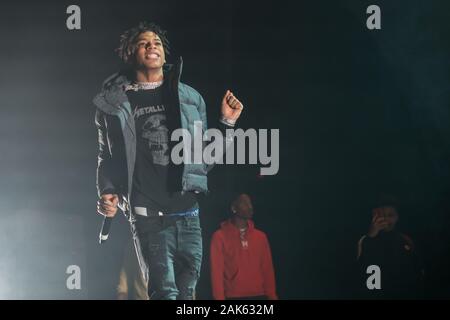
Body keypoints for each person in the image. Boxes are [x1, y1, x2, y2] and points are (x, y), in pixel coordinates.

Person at [93, 21, 243, 300]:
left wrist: (227, 124)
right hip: (150, 220)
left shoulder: (189, 98)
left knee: (187, 297)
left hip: (189, 217)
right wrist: (108, 191)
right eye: (143, 42)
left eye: (157, 43)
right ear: (129, 53)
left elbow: (205, 160)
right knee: (165, 294)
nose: (152, 46)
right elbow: (107, 157)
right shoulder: (113, 105)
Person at [210, 193, 278, 300]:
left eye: (250, 203)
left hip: (259, 295)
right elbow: (216, 272)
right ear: (234, 208)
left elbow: (267, 269)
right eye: (245, 203)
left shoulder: (260, 237)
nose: (250, 206)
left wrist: (272, 296)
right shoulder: (219, 236)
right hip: (233, 296)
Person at [356, 195, 425, 299]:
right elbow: (357, 270)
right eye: (381, 215)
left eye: (390, 215)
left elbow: (418, 272)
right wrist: (371, 236)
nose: (385, 219)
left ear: (397, 217)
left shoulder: (405, 240)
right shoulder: (363, 240)